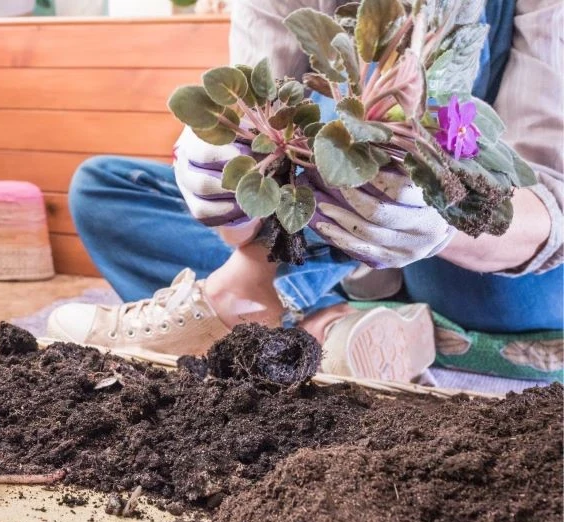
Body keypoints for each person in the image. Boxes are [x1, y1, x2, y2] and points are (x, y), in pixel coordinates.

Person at [47, 0, 563, 384]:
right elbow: (265, 148)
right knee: (105, 190)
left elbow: (550, 203)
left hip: (470, 259)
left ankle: (255, 307)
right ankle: (353, 328)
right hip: (334, 227)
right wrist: (226, 187)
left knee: (348, 119)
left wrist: (443, 217)